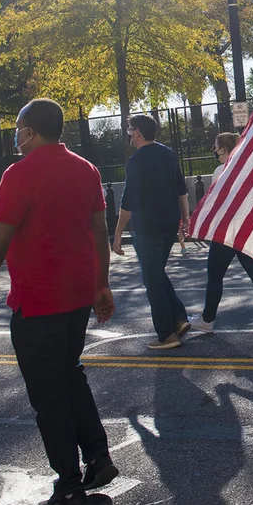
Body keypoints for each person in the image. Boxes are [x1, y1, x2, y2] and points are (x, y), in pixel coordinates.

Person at [0, 98, 117, 505]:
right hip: (78, 294)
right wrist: (102, 285)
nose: (15, 135)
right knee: (71, 373)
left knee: (49, 394)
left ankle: (68, 483)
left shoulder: (19, 174)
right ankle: (98, 456)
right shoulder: (86, 169)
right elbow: (99, 231)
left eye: (17, 128)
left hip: (38, 298)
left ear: (31, 130)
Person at [188, 132, 253, 333]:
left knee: (215, 276)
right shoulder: (248, 170)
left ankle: (207, 320)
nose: (214, 150)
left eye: (216, 145)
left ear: (223, 148)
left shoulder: (220, 171)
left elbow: (214, 203)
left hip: (226, 231)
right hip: (245, 230)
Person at [112, 113, 191, 350]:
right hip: (169, 224)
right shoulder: (168, 154)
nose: (128, 133)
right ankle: (178, 317)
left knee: (152, 279)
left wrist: (117, 234)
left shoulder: (136, 161)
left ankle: (166, 333)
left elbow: (128, 201)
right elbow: (181, 189)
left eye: (129, 129)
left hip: (148, 227)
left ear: (137, 132)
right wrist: (185, 219)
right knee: (155, 273)